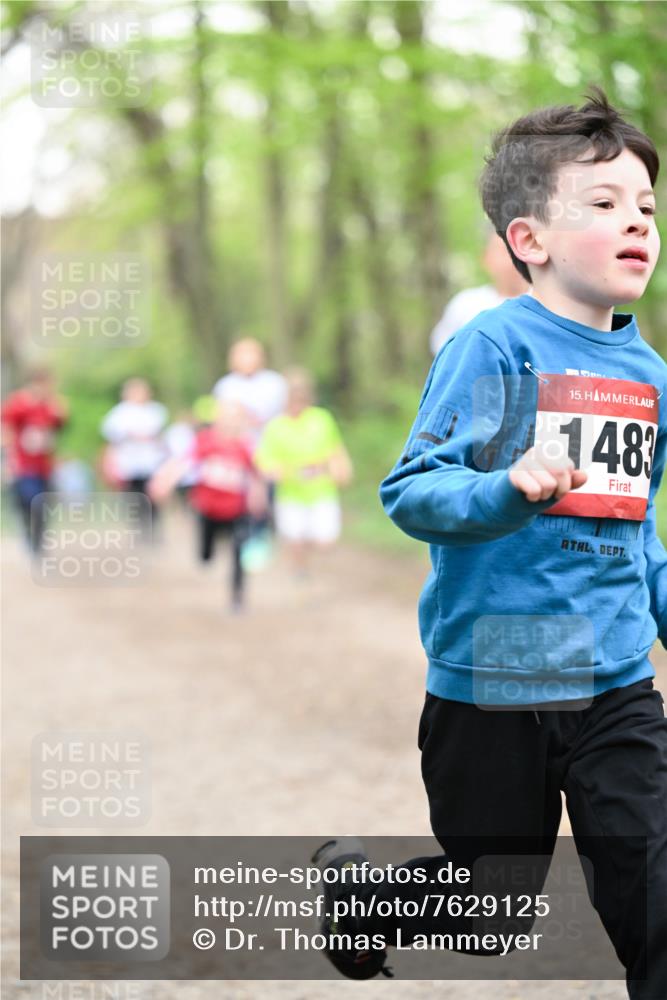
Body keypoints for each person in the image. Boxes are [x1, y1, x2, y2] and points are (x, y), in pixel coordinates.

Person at [312, 89, 667, 998]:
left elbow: (639, 528)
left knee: (654, 896)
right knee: (491, 910)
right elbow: (411, 490)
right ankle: (366, 899)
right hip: (499, 672)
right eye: (603, 204)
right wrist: (504, 489)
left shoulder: (648, 375)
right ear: (528, 240)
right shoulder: (493, 347)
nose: (634, 221)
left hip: (615, 680)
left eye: (645, 208)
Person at [149, 400, 266, 612]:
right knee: (205, 555)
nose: (231, 424)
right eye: (226, 419)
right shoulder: (206, 441)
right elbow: (183, 463)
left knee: (238, 553)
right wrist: (165, 481)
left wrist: (258, 498)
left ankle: (237, 598)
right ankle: (207, 552)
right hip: (208, 509)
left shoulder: (246, 445)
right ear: (217, 420)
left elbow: (256, 475)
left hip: (236, 510)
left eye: (236, 419)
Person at [255, 368, 352, 575]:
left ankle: (307, 548)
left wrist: (341, 468)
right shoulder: (275, 426)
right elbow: (264, 459)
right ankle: (300, 568)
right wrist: (273, 471)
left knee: (326, 541)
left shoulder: (321, 418)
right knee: (294, 539)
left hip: (321, 490)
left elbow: (335, 449)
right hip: (290, 493)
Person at [429, 230, 529, 356]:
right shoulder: (465, 304)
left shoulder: (549, 304)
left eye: (518, 250)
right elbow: (442, 352)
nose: (513, 260)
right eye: (504, 252)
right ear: (486, 258)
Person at [1, 367, 68, 552]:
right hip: (22, 465)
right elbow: (6, 429)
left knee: (44, 504)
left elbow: (59, 429)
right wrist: (8, 458)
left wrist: (60, 413)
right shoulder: (17, 403)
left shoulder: (51, 405)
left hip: (44, 465)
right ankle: (28, 534)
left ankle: (38, 542)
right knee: (26, 501)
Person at [100, 378, 168, 536]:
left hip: (152, 463)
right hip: (130, 465)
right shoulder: (119, 414)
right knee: (134, 498)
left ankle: (152, 530)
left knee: (153, 497)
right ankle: (138, 529)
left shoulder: (156, 411)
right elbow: (112, 439)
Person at [212, 338, 287, 442]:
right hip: (236, 443)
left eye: (250, 354)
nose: (247, 359)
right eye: (242, 355)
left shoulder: (275, 382)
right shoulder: (225, 385)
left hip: (272, 441)